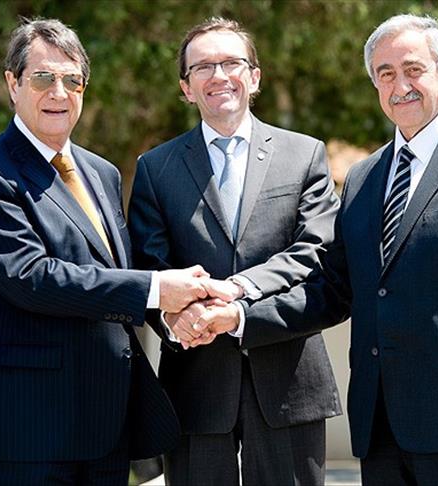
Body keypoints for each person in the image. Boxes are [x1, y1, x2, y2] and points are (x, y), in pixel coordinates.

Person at [200, 13, 438, 486]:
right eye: (385, 74)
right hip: (380, 425)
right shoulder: (364, 178)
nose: (400, 85)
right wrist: (239, 317)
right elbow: (332, 290)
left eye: (413, 69)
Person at [0, 18, 226, 485]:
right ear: (12, 84)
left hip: (104, 427)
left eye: (72, 80)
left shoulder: (101, 172)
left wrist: (177, 313)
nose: (59, 93)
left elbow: (118, 272)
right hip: (24, 431)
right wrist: (156, 290)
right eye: (43, 78)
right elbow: (33, 278)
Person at [127, 17, 342, 486]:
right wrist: (177, 319)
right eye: (203, 67)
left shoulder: (303, 155)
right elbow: (149, 266)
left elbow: (315, 249)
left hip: (288, 385)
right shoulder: (156, 168)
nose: (219, 75)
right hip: (196, 387)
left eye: (231, 63)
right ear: (186, 88)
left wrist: (239, 289)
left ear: (255, 77)